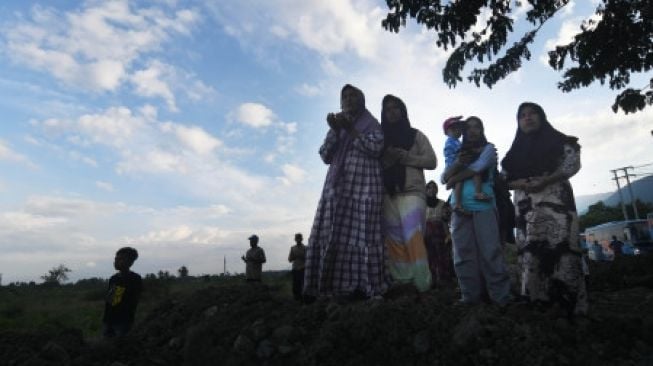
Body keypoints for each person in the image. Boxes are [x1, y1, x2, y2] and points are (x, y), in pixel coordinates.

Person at [501, 102, 588, 315]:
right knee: (532, 250)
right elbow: (503, 179)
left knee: (563, 249)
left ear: (542, 117)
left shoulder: (560, 142)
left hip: (557, 204)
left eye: (532, 114)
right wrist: (521, 184)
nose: (527, 118)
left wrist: (548, 179)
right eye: (522, 115)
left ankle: (569, 305)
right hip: (527, 208)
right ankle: (536, 301)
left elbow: (572, 163)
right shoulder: (513, 155)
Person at [304, 84, 387, 300]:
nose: (349, 100)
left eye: (354, 96)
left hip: (365, 186)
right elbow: (324, 155)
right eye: (345, 97)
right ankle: (330, 288)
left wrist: (350, 130)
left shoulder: (372, 124)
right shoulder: (337, 124)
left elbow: (375, 148)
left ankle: (365, 286)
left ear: (362, 100)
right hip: (338, 186)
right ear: (341, 102)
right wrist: (335, 129)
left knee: (363, 232)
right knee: (334, 232)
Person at [442, 116, 511, 306]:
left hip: (484, 206)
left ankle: (500, 298)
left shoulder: (489, 149)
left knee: (490, 252)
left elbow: (478, 167)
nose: (472, 131)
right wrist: (456, 165)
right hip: (459, 208)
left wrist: (453, 180)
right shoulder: (458, 151)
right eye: (469, 128)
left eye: (477, 127)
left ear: (482, 130)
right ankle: (469, 297)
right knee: (463, 254)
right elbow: (443, 177)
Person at [381, 94, 437, 292]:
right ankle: (403, 283)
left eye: (396, 107)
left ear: (403, 111)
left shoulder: (416, 135)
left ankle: (423, 284)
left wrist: (407, 157)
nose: (392, 112)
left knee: (413, 236)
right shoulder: (380, 139)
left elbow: (432, 161)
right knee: (394, 240)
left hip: (412, 191)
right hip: (388, 194)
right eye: (387, 109)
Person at [103, 247, 142, 338]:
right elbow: (111, 300)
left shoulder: (134, 279)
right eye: (116, 259)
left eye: (120, 259)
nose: (116, 261)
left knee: (120, 346)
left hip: (123, 322)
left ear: (130, 262)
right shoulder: (114, 278)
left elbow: (132, 301)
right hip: (108, 320)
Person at [423, 180, 455, 287]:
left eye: (434, 187)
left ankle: (444, 280)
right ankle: (431, 281)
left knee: (443, 257)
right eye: (429, 188)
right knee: (429, 258)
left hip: (441, 235)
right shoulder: (421, 205)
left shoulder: (442, 204)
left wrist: (448, 236)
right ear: (426, 190)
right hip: (426, 236)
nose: (432, 190)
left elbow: (447, 220)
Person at [288, 233, 306, 301]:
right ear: (295, 239)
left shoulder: (305, 248)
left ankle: (302, 298)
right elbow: (289, 259)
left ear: (301, 239)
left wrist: (301, 256)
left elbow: (307, 258)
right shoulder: (292, 248)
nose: (298, 239)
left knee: (302, 284)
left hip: (302, 268)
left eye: (299, 238)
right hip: (295, 269)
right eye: (297, 238)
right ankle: (296, 298)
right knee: (295, 285)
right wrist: (294, 257)